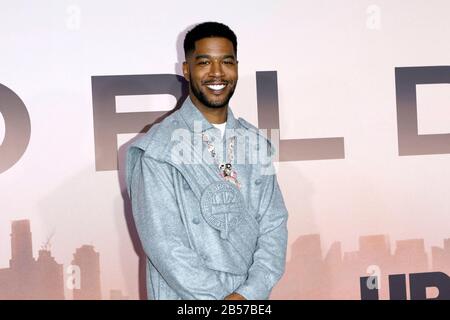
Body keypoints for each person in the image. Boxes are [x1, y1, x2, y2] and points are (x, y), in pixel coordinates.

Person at [126, 21, 288, 300]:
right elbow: (165, 246)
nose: (217, 73)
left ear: (237, 67)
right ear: (186, 70)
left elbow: (274, 225)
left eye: (226, 62)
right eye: (204, 63)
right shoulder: (158, 149)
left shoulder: (255, 143)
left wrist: (249, 294)